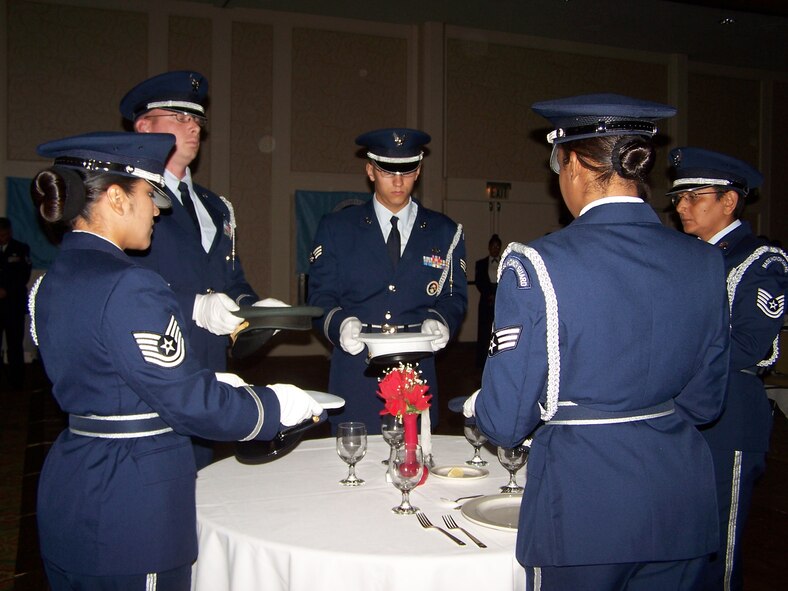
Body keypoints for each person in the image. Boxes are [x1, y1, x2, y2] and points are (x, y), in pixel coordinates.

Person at [29, 131, 322, 590]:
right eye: (148, 196)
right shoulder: (131, 284)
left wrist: (200, 377)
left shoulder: (51, 280)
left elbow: (114, 375)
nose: (155, 211)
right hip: (132, 507)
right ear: (116, 198)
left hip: (73, 485)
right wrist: (273, 407)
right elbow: (188, 403)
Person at [463, 94, 730, 590]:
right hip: (679, 496)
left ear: (573, 166)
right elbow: (705, 401)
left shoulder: (537, 264)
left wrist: (483, 408)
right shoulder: (705, 261)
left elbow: (504, 422)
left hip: (583, 503)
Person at [120, 70, 281, 468]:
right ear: (144, 126)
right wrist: (193, 305)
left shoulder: (216, 206)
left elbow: (230, 279)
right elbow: (116, 287)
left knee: (202, 488)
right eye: (179, 116)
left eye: (197, 120)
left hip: (209, 371)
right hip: (155, 368)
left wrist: (251, 311)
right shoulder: (123, 200)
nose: (193, 126)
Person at [668, 147, 788, 591]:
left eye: (694, 196)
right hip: (677, 414)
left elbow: (750, 345)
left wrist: (669, 356)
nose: (680, 206)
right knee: (678, 540)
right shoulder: (683, 256)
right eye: (678, 197)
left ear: (729, 201)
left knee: (719, 547)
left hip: (729, 415)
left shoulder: (760, 259)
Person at [308, 128, 468, 432]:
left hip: (416, 369)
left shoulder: (444, 231)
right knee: (351, 467)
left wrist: (441, 320)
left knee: (414, 461)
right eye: (387, 171)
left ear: (418, 170)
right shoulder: (338, 228)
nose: (398, 181)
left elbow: (453, 296)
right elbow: (319, 297)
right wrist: (339, 324)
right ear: (370, 170)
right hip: (357, 369)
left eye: (407, 171)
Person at [0, 217, 32, 389]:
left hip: (13, 305)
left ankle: (16, 381)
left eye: (5, 234)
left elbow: (23, 275)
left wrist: (7, 290)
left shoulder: (20, 249)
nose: (2, 238)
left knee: (14, 344)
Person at [474, 233, 501, 367]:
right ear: (489, 247)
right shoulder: (481, 263)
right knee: (484, 330)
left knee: (498, 329)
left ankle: (498, 359)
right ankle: (482, 361)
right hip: (486, 300)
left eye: (497, 246)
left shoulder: (505, 261)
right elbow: (479, 282)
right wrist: (489, 294)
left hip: (501, 301)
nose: (495, 248)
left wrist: (498, 294)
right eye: (493, 246)